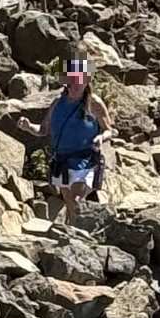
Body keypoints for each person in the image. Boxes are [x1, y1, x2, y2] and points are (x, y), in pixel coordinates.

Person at [38, 55, 110, 226]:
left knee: (76, 198)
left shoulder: (94, 103)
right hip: (61, 160)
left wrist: (101, 137)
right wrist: (27, 127)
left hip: (85, 159)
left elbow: (109, 129)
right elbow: (43, 129)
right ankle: (75, 230)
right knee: (70, 201)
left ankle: (82, 230)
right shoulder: (57, 103)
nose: (73, 85)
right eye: (69, 81)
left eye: (77, 80)